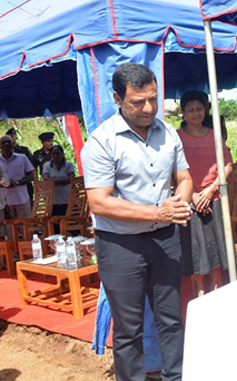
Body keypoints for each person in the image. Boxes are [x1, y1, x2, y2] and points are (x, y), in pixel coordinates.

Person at [82, 62, 193, 381]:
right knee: (128, 329)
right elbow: (99, 201)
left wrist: (179, 201)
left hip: (165, 239)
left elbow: (185, 178)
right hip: (121, 246)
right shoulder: (102, 141)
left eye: (153, 99)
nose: (148, 108)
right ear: (117, 99)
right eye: (138, 102)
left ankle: (176, 376)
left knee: (170, 318)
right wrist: (158, 213)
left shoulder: (168, 133)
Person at [177, 90, 233, 297]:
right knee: (195, 248)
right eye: (191, 110)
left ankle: (217, 288)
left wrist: (210, 191)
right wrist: (193, 195)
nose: (196, 113)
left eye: (199, 109)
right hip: (188, 201)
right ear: (183, 113)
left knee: (216, 246)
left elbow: (227, 165)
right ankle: (199, 291)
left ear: (206, 110)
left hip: (214, 199)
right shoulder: (177, 138)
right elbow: (172, 169)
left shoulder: (214, 134)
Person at [0, 134, 34, 221]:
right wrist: (4, 184)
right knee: (8, 227)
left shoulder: (22, 158)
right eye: (4, 142)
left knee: (25, 225)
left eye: (9, 142)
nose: (6, 144)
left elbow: (31, 176)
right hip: (4, 201)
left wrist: (17, 183)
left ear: (13, 144)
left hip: (22, 199)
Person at [42, 145, 75, 233]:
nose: (55, 156)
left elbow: (71, 179)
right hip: (53, 199)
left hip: (66, 198)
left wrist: (54, 181)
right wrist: (62, 180)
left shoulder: (69, 165)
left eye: (58, 153)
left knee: (68, 220)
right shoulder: (47, 165)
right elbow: (46, 179)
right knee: (55, 224)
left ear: (62, 154)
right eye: (53, 154)